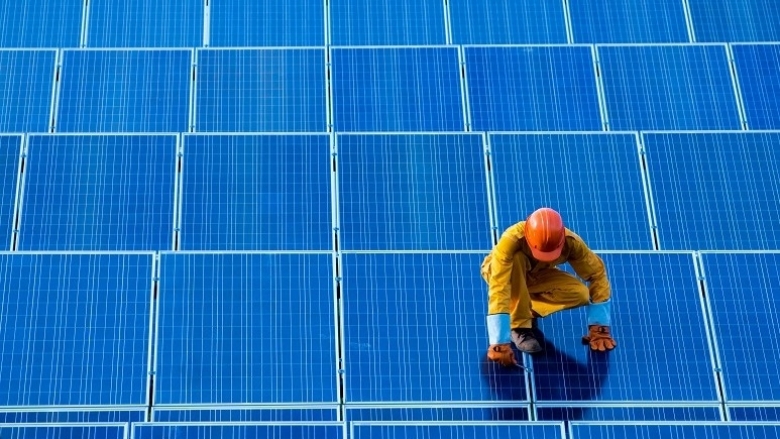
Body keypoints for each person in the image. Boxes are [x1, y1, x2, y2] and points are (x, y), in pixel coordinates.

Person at [481, 207, 617, 367]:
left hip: (536, 274)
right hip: (503, 272)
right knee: (517, 259)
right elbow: (500, 286)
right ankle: (518, 325)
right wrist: (499, 341)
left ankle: (525, 308)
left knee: (580, 294)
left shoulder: (572, 243)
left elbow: (597, 274)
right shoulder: (511, 240)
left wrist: (599, 325)